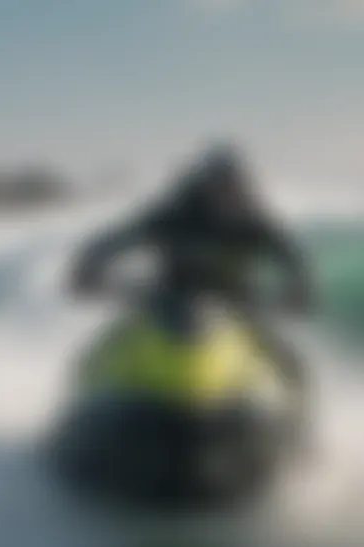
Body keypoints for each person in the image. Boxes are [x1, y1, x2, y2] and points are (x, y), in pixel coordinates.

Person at [69, 143, 314, 390]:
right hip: (168, 299)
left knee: (286, 361)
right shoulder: (173, 215)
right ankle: (83, 406)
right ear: (203, 183)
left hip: (235, 303)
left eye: (232, 184)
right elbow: (118, 239)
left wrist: (299, 288)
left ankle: (293, 415)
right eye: (219, 184)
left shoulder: (251, 221)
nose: (226, 192)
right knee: (104, 348)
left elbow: (289, 256)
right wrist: (89, 269)